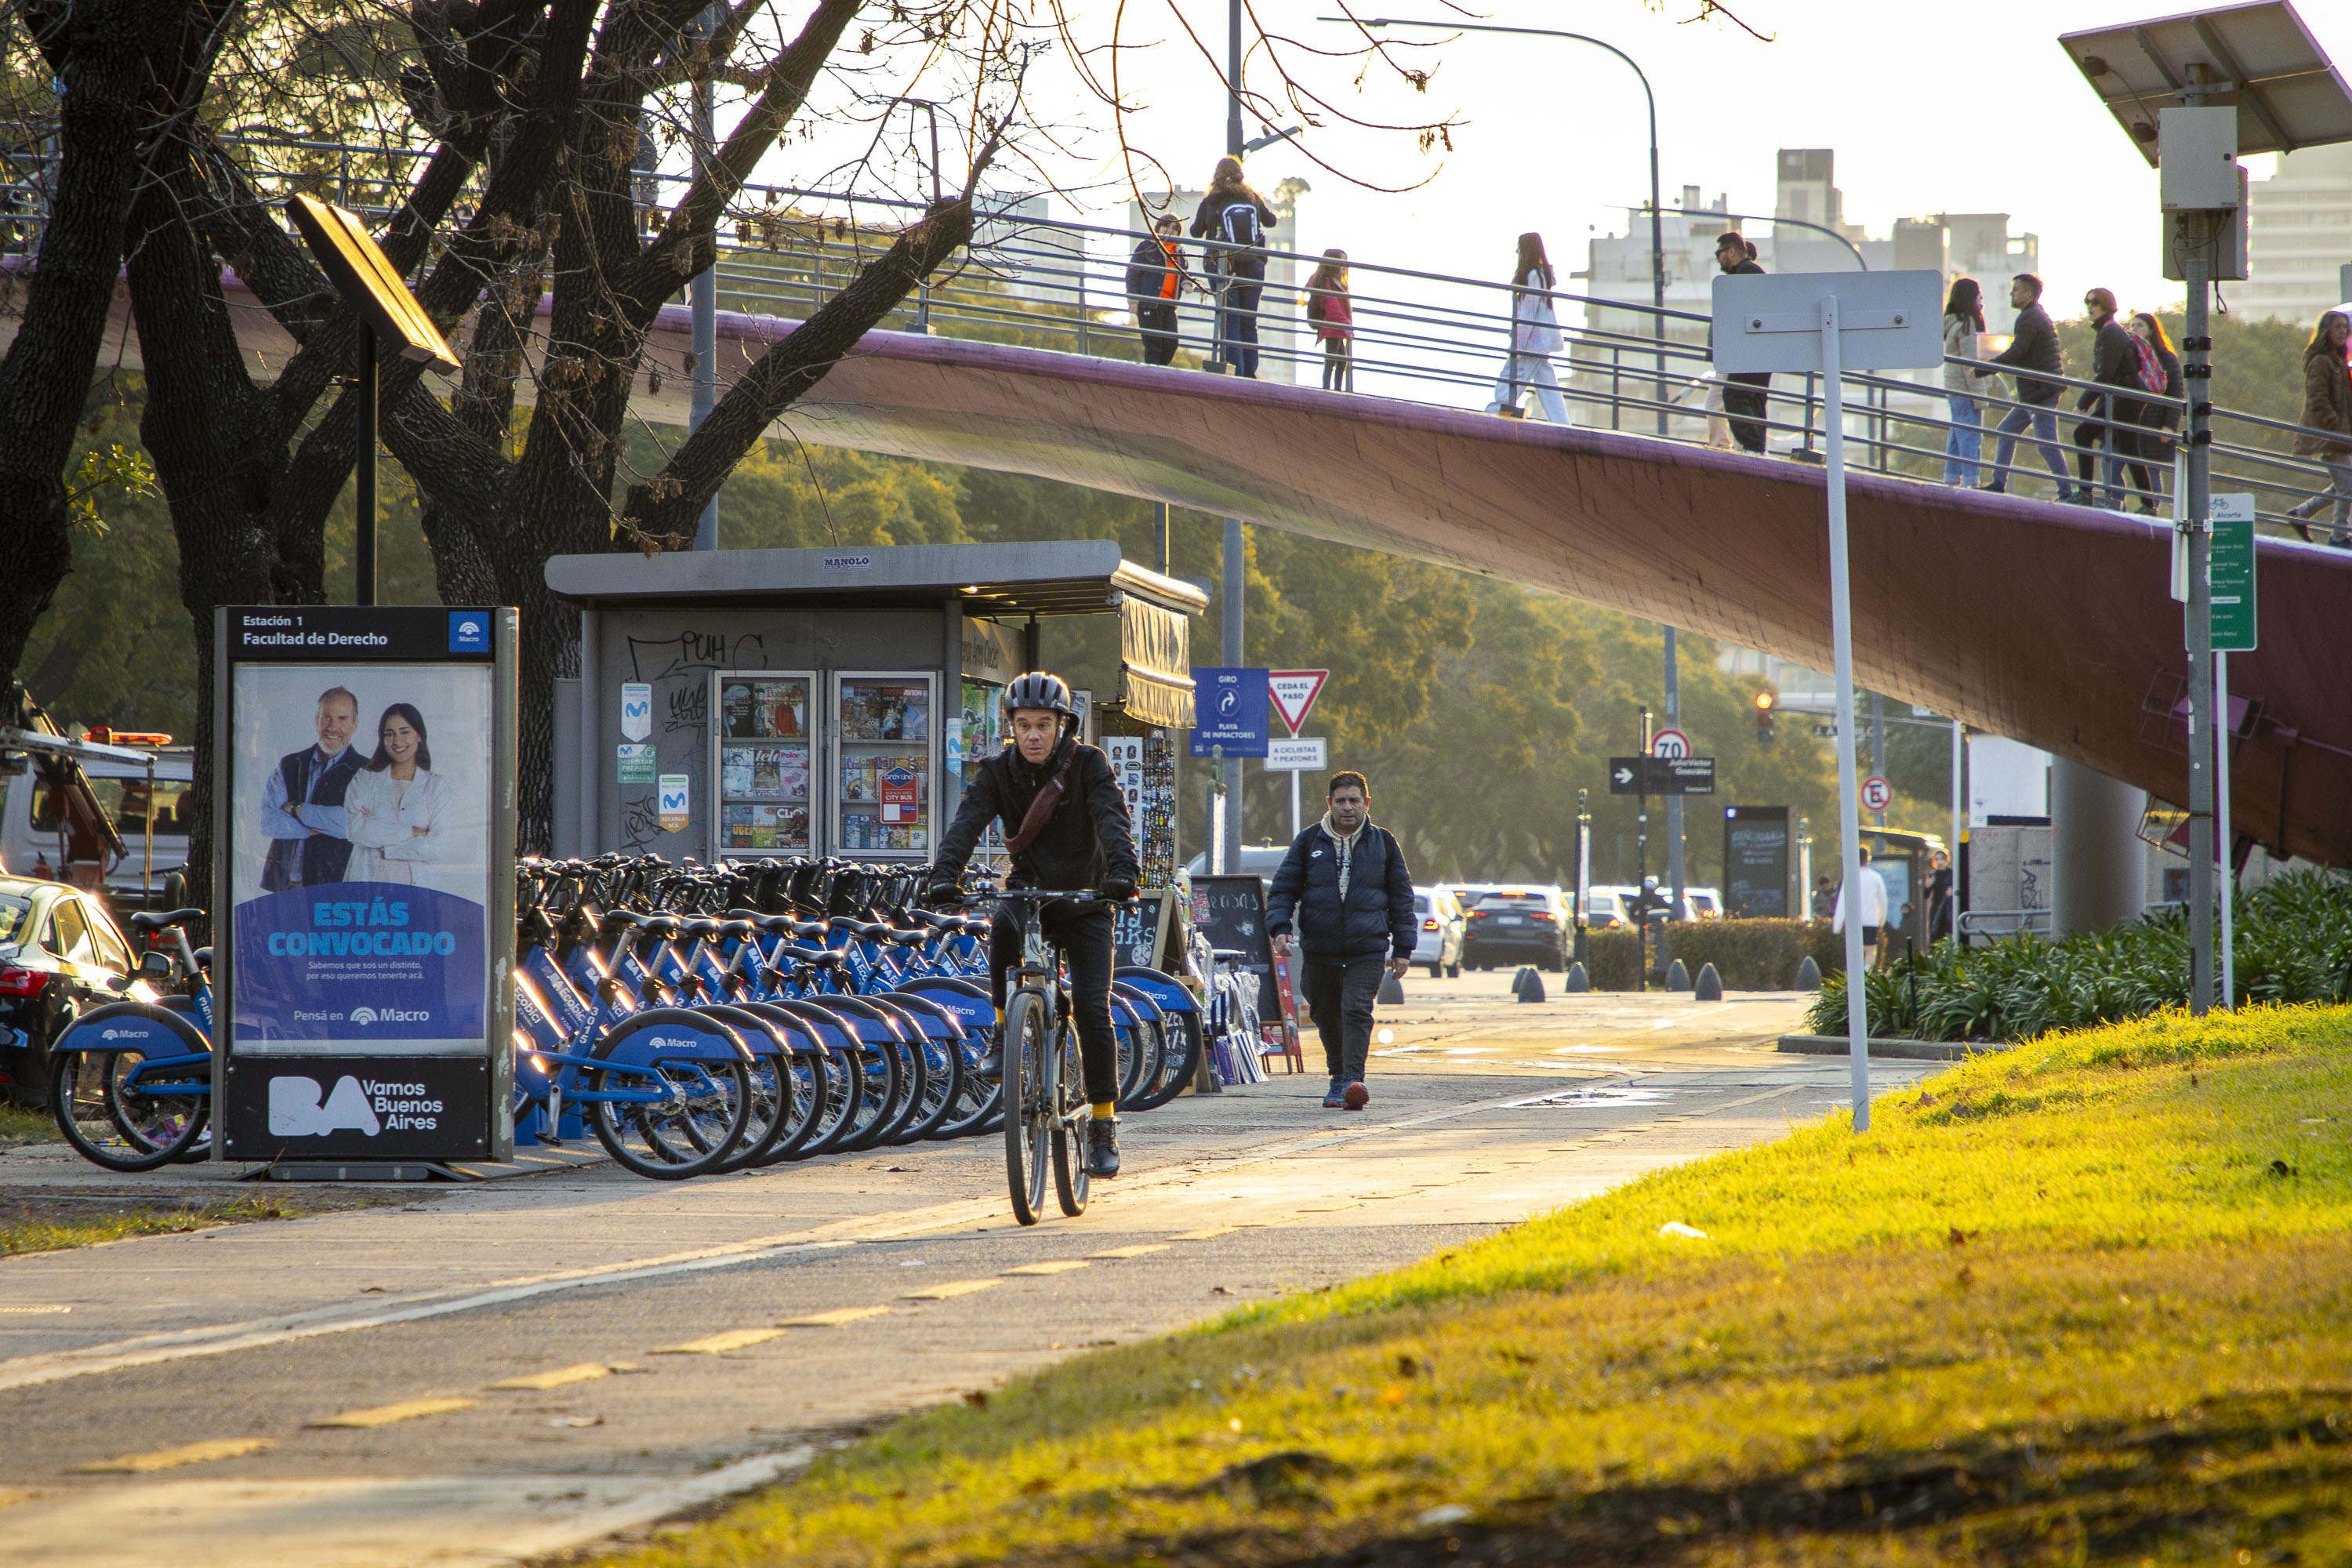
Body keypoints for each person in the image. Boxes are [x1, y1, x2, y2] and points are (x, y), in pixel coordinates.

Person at [927, 672, 1138, 1178]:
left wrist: (1123, 873)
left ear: (1063, 726)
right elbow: (967, 823)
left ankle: (1103, 1124)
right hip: (1031, 892)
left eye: (1044, 724)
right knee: (1003, 927)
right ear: (1012, 728)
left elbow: (1112, 817)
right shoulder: (997, 771)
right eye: (1024, 725)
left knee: (1093, 1008)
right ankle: (1004, 1031)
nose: (1034, 735)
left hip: (1087, 899)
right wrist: (944, 875)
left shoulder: (1088, 764)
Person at [1265, 771, 1415, 1111]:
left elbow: (1402, 898)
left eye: (1354, 801)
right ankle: (1338, 1077)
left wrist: (1403, 949)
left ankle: (1351, 1081)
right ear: (1329, 803)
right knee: (1325, 1012)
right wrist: (1280, 927)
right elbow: (1284, 890)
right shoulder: (1308, 841)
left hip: (1368, 948)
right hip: (1320, 948)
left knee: (1356, 1009)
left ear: (1366, 803)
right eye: (1341, 801)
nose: (1348, 807)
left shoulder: (1384, 843)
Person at [1973, 273, 2076, 499]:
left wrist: (1983, 369)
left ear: (2028, 294)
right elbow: (2021, 353)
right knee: (2006, 430)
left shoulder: (2029, 318)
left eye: (2016, 290)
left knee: (2046, 444)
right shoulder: (2034, 315)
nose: (2012, 294)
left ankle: (2067, 492)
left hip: (2042, 391)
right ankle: (1999, 482)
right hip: (2036, 392)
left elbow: (2017, 352)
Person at [260, 685, 364, 891]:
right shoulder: (290, 764)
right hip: (283, 885)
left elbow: (355, 825)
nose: (332, 727)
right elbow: (267, 821)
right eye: (327, 717)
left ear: (355, 724)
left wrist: (296, 810)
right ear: (316, 720)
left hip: (334, 888)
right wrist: (314, 828)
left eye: (342, 719)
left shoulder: (366, 771)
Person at [1190, 157, 1278, 379]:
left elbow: (1195, 231)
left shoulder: (1211, 200)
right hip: (1253, 263)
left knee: (1230, 320)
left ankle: (1236, 374)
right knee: (1249, 320)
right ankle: (1249, 375)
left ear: (1216, 175)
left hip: (1221, 265)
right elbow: (1271, 221)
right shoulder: (1251, 197)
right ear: (1240, 174)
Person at [343, 703, 448, 884]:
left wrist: (385, 846)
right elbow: (355, 830)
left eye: (405, 732)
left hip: (415, 888)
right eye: (389, 734)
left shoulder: (436, 786)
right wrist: (413, 832)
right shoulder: (365, 778)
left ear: (419, 735)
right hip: (368, 884)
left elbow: (438, 848)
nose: (397, 741)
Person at [2070, 287, 2143, 510]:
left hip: (2125, 396)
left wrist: (2083, 404)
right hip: (2123, 396)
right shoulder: (2109, 331)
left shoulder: (2111, 332)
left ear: (2106, 306)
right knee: (2128, 448)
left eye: (2095, 303)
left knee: (2084, 434)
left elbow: (2106, 374)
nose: (2090, 307)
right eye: (2088, 302)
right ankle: (2148, 503)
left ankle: (2085, 493)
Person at [1484, 233, 1569, 423]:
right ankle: (1563, 424)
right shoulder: (1540, 276)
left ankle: (1495, 412)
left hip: (1531, 344)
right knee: (1547, 384)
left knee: (1508, 382)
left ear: (1526, 251)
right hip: (1539, 343)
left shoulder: (1533, 276)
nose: (1517, 252)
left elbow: (1528, 315)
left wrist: (1518, 347)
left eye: (1520, 249)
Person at [2287, 307, 2352, 546]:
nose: (2342, 332)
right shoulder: (2321, 361)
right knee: (2348, 486)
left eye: (2345, 328)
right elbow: (2317, 398)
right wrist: (2334, 425)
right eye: (2337, 327)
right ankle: (2338, 536)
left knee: (2345, 484)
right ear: (2326, 330)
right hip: (2330, 436)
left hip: (2341, 436)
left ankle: (2301, 514)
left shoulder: (2339, 361)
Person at [1714, 232, 1771, 452]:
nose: (1718, 259)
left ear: (1731, 251)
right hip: (1760, 347)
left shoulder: (1745, 272)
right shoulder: (1750, 271)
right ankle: (1757, 448)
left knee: (1734, 394)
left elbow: (1741, 312)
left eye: (1719, 253)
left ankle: (1752, 445)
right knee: (1754, 397)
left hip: (1753, 348)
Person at [2127, 311, 2183, 512]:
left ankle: (2152, 508)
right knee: (2120, 461)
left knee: (2152, 469)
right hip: (2132, 419)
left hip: (2155, 422)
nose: (2134, 329)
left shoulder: (2166, 358)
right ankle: (2118, 503)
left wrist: (2169, 425)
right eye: (2132, 326)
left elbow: (2176, 393)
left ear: (2151, 330)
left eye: (2139, 325)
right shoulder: (2129, 354)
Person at [1125, 213, 1191, 368]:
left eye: (1175, 229)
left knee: (1171, 343)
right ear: (1158, 228)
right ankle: (1152, 376)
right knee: (1153, 344)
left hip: (1169, 305)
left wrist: (1187, 283)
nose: (1170, 231)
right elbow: (1133, 274)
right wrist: (1133, 301)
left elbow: (1183, 273)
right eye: (1166, 226)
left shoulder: (1179, 252)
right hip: (1149, 303)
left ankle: (1159, 373)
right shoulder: (1146, 246)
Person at [1941, 278, 1987, 487]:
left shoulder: (1952, 322)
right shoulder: (1968, 324)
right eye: (1978, 295)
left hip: (1953, 386)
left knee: (1957, 433)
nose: (1981, 299)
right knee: (1970, 434)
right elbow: (1971, 364)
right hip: (1966, 388)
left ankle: (1951, 477)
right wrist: (1978, 396)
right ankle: (1971, 480)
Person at [1831, 845, 1890, 973]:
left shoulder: (1850, 877)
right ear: (1868, 858)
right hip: (1871, 921)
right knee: (1870, 950)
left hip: (1853, 922)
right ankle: (1866, 972)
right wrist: (1881, 921)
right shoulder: (1876, 878)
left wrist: (1837, 926)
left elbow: (1842, 902)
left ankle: (1855, 974)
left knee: (1854, 951)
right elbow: (1883, 901)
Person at [1305, 248, 1354, 392]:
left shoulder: (1335, 281)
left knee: (1340, 360)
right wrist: (1346, 325)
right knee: (1332, 360)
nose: (1345, 267)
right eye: (1342, 263)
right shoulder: (1327, 283)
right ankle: (1328, 389)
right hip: (1332, 327)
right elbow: (1332, 306)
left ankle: (1335, 389)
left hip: (1336, 327)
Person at [1926, 848, 1955, 943]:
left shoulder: (1952, 874)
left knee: (1947, 934)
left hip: (1948, 908)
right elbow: (1926, 895)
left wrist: (1951, 893)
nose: (1939, 862)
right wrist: (1927, 886)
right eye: (1937, 859)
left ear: (1947, 860)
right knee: (1935, 935)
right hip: (1936, 909)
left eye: (1942, 859)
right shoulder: (1933, 874)